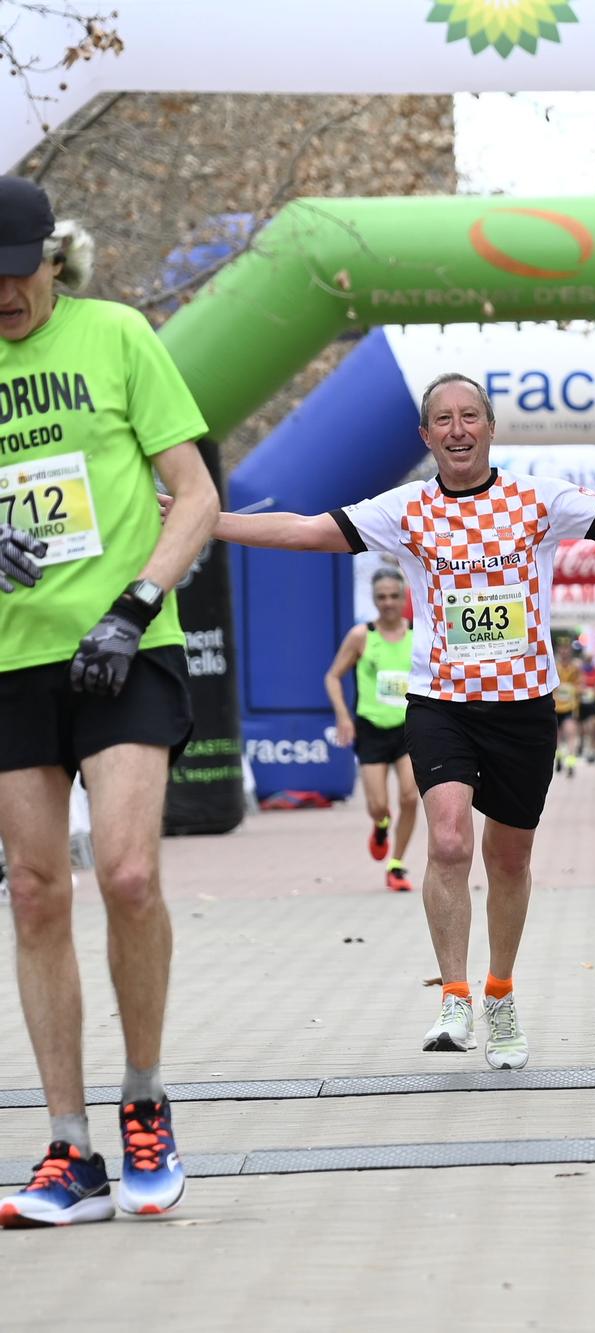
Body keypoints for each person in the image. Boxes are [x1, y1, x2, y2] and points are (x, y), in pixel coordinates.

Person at [198, 371, 595, 1071]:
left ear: (491, 426)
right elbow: (307, 528)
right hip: (442, 703)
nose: (458, 429)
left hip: (524, 707)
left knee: (509, 858)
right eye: (443, 419)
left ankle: (500, 991)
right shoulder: (406, 508)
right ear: (425, 436)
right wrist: (209, 518)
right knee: (446, 841)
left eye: (470, 416)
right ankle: (455, 993)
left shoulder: (538, 499)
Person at [0, 178, 218, 1227]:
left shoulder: (119, 334)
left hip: (124, 642)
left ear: (55, 256)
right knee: (37, 891)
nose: (2, 292)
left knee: (128, 871)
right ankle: (67, 1146)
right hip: (11, 656)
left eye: (16, 269)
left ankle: (144, 1101)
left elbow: (198, 493)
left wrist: (137, 604)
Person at [324, 566, 420, 892]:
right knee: (378, 805)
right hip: (372, 728)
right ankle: (381, 825)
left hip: (409, 728)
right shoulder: (361, 636)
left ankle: (397, 865)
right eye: (382, 597)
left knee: (410, 796)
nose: (388, 603)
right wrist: (343, 717)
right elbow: (332, 676)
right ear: (374, 599)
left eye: (394, 596)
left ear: (404, 596)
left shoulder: (418, 633)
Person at [552, 640, 583, 778]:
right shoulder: (553, 666)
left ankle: (571, 763)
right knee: (556, 737)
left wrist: (573, 689)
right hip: (555, 707)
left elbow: (582, 686)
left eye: (567, 649)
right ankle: (559, 757)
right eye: (562, 649)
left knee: (571, 734)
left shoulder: (576, 668)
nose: (564, 652)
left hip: (570, 708)